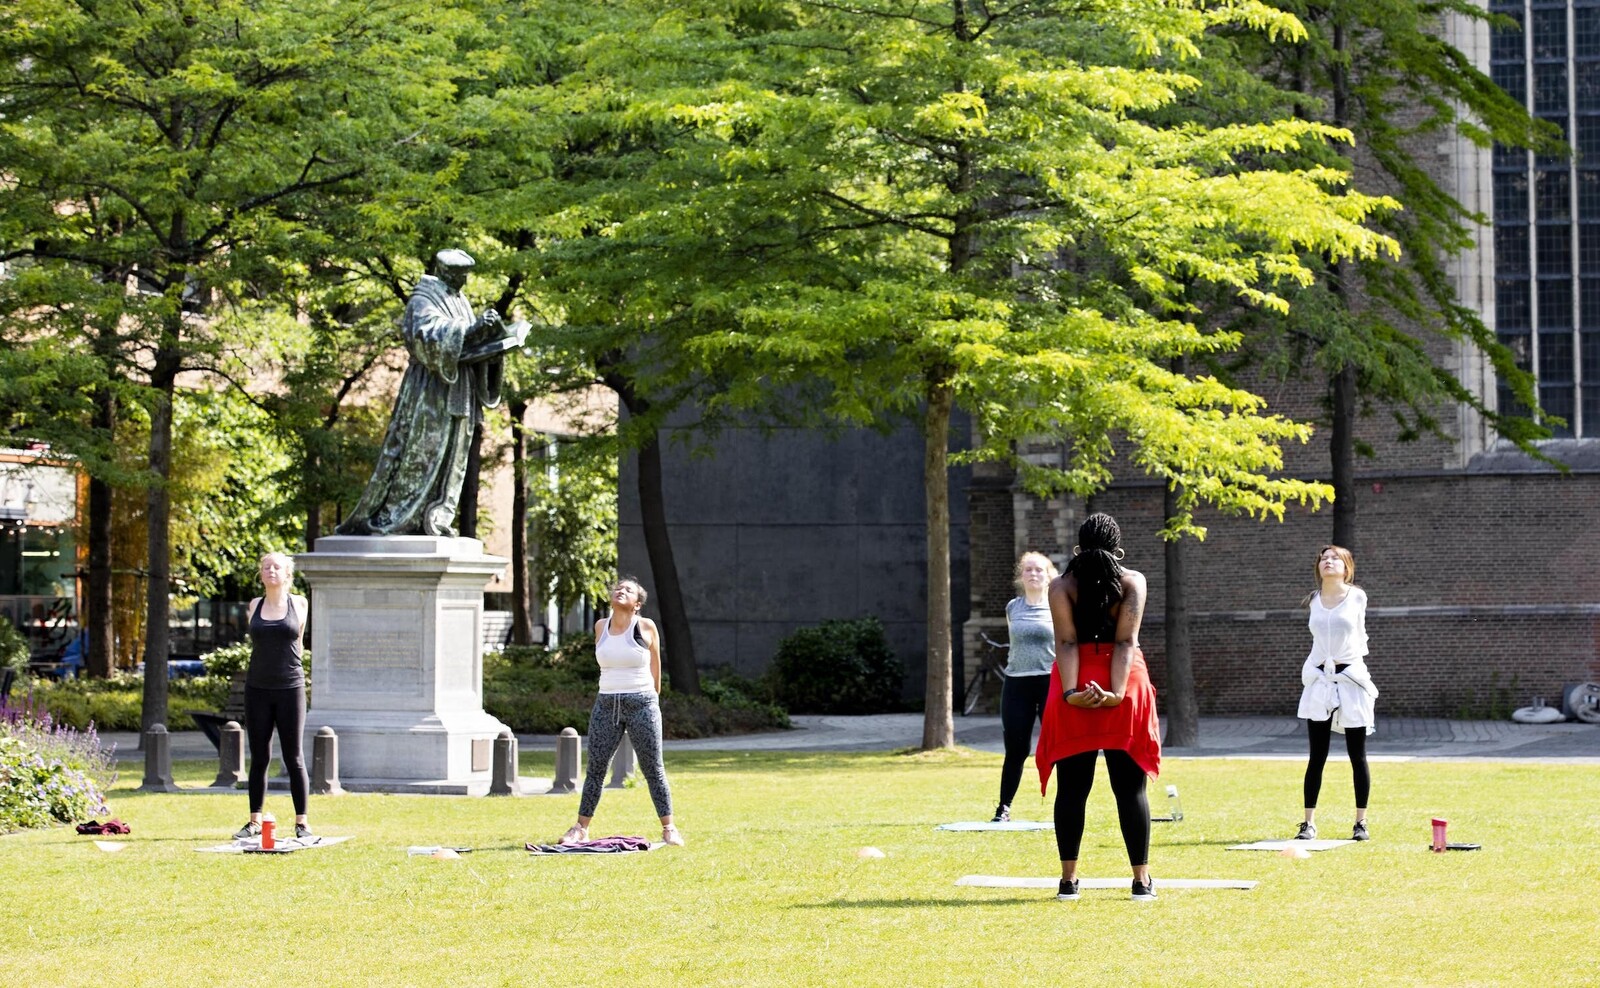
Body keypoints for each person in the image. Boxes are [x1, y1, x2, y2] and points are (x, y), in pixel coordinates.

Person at [337, 248, 519, 537]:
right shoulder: (423, 299)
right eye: (459, 275)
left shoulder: (460, 301)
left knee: (453, 460)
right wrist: (471, 330)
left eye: (465, 276)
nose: (463, 281)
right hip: (429, 393)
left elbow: (469, 342)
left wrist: (493, 339)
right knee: (420, 456)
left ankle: (436, 518)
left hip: (460, 391)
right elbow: (425, 335)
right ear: (444, 271)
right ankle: (395, 518)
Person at [1034, 513, 1161, 901]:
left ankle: (1068, 881)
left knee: (1072, 788)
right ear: (1117, 546)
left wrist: (1073, 693)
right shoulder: (1132, 581)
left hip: (1076, 678)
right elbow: (1126, 643)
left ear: (1079, 545)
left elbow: (1067, 643)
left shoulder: (1061, 586)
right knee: (1130, 788)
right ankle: (1141, 881)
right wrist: (1116, 694)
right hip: (1125, 681)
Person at [558, 577, 684, 847]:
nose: (620, 591)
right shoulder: (601, 627)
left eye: (628, 590)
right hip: (606, 704)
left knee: (654, 769)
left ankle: (669, 829)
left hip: (642, 703)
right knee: (596, 769)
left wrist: (651, 702)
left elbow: (656, 668)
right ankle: (580, 828)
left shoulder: (646, 626)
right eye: (618, 588)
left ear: (637, 604)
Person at [1294, 544, 1378, 842]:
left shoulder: (1357, 597)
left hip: (1350, 679)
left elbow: (1360, 638)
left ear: (1346, 567)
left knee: (1358, 754)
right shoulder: (1314, 600)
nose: (1328, 562)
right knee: (1317, 755)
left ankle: (1361, 822)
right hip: (1320, 680)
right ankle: (1308, 823)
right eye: (1323, 559)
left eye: (1334, 559)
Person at [234, 552, 312, 840]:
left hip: (290, 688)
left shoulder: (300, 604)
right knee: (260, 756)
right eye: (266, 567)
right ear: (261, 573)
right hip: (257, 689)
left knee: (294, 757)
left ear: (287, 574)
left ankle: (302, 822)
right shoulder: (254, 605)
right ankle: (254, 821)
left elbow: (299, 644)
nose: (271, 571)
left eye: (277, 567)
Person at [991, 551, 1059, 823]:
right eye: (1028, 569)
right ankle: (1003, 808)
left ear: (1048, 576)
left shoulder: (1057, 606)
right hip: (1017, 682)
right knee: (1016, 749)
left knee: (1057, 746)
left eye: (1039, 570)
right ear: (1021, 575)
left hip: (1049, 681)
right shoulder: (1012, 607)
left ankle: (1065, 806)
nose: (1033, 574)